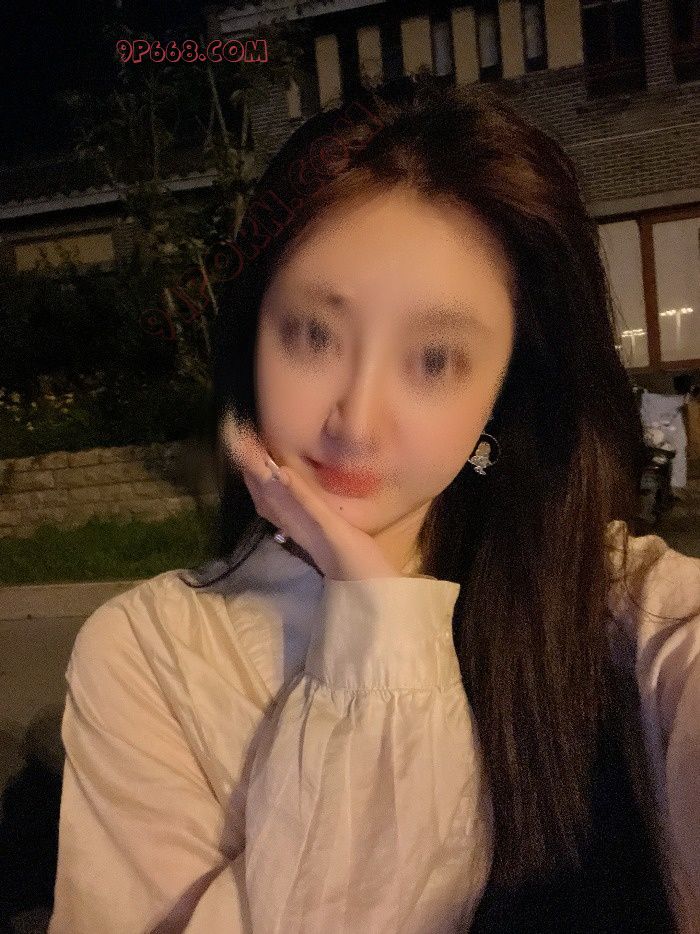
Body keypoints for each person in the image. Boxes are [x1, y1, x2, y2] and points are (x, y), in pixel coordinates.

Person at [49, 78, 700, 933]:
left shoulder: (621, 606)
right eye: (314, 335)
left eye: (434, 361)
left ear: (505, 391)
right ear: (252, 337)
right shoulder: (154, 659)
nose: (356, 422)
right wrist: (374, 621)